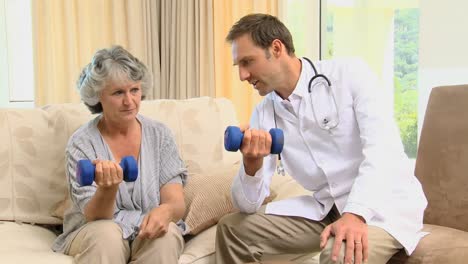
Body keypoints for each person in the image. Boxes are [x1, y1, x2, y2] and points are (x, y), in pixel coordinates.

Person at [215, 13, 427, 264]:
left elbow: (383, 151)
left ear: (276, 48)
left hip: (382, 207)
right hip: (328, 209)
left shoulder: (350, 74)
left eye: (248, 62)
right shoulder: (264, 112)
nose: (242, 75)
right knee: (232, 229)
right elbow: (247, 206)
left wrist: (355, 214)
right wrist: (251, 165)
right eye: (238, 66)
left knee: (338, 255)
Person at [51, 45, 187, 264]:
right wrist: (108, 187)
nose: (129, 101)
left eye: (134, 90)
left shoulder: (160, 135)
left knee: (168, 234)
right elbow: (94, 216)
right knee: (108, 236)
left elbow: (176, 201)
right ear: (98, 97)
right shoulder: (81, 143)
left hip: (144, 227)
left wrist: (167, 211)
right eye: (118, 93)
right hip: (94, 227)